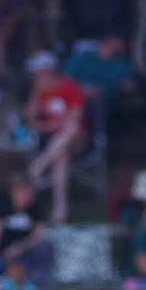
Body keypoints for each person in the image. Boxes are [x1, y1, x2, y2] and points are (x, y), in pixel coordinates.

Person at [24, 51, 86, 223]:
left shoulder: (69, 86)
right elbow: (30, 119)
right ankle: (61, 209)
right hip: (53, 142)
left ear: (49, 70)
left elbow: (75, 116)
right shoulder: (39, 91)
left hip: (76, 139)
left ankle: (39, 165)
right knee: (61, 157)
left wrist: (49, 126)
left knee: (71, 129)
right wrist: (36, 96)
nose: (36, 75)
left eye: (39, 71)